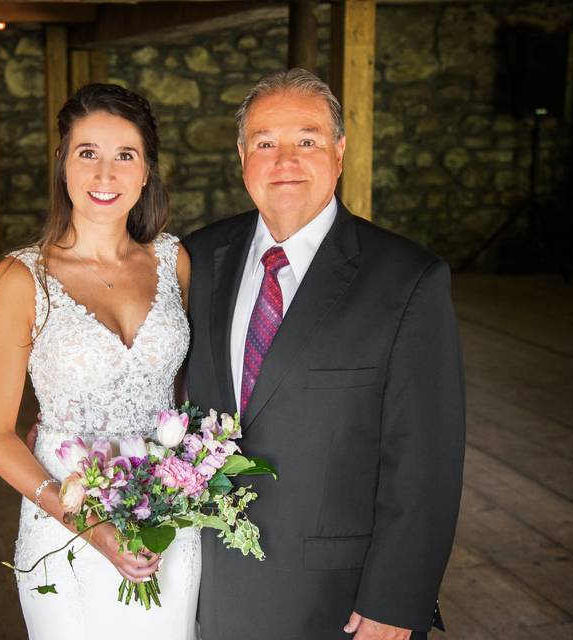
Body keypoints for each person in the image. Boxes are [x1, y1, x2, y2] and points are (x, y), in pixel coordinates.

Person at [183, 69, 465, 640]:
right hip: (202, 584)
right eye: (266, 143)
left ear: (339, 151)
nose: (285, 160)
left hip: (336, 602)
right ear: (242, 156)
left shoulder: (407, 279)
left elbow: (427, 459)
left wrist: (396, 598)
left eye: (307, 140)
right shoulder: (198, 257)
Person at [0, 84, 199, 640]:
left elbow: (183, 396)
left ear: (146, 171)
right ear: (62, 164)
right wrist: (88, 524)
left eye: (125, 155)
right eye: (87, 153)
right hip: (65, 520)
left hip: (167, 517)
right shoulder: (20, 280)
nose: (105, 175)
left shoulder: (174, 260)